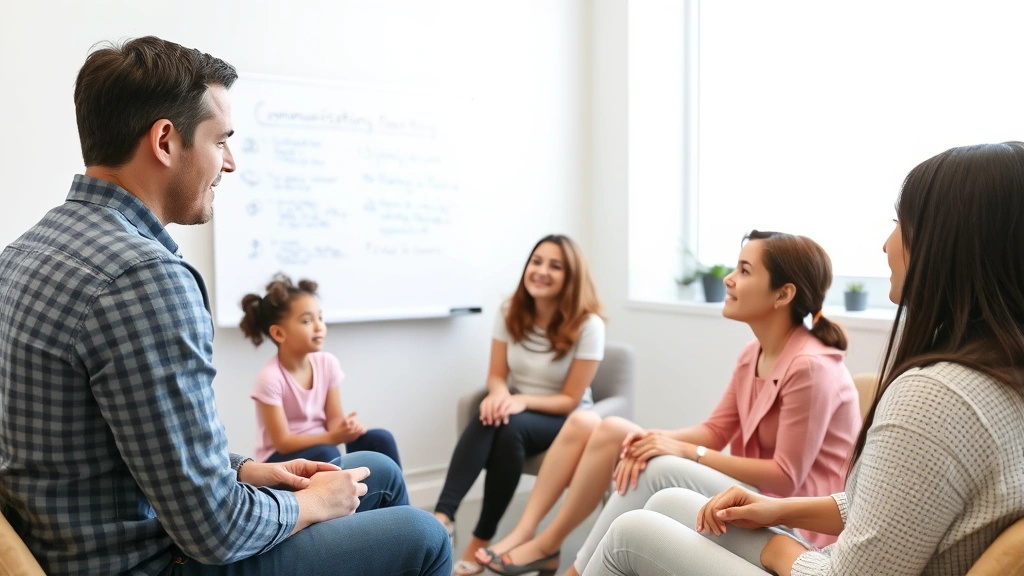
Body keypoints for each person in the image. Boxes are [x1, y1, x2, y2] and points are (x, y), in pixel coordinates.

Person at [0, 36, 449, 575]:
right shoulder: (144, 280)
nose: (230, 163)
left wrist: (246, 469)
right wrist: (312, 503)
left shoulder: (24, 251)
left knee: (378, 470)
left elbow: (132, 440)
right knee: (424, 536)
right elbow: (215, 531)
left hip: (77, 536)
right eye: (221, 141)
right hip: (152, 560)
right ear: (165, 140)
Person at [583, 142, 1024, 576]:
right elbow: (896, 505)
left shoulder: (931, 397)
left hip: (825, 560)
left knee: (634, 531)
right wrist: (771, 508)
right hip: (829, 538)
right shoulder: (993, 373)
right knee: (666, 500)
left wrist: (776, 546)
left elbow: (830, 532)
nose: (886, 244)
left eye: (899, 222)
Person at [482, 231, 861, 576]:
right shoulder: (753, 353)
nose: (728, 279)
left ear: (783, 294)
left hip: (795, 516)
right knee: (621, 433)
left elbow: (785, 475)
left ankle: (572, 567)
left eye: (744, 271)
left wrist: (682, 450)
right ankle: (553, 550)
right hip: (756, 492)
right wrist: (656, 438)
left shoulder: (810, 366)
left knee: (657, 466)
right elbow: (716, 431)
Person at [433, 234, 606, 575]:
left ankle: (479, 540)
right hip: (518, 413)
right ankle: (444, 517)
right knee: (489, 413)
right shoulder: (509, 310)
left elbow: (570, 399)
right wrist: (499, 396)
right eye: (536, 261)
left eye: (555, 266)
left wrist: (516, 401)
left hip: (566, 417)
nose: (541, 271)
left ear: (571, 278)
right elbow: (497, 375)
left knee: (508, 423)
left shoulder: (589, 325)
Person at [240, 273, 402, 468]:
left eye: (320, 318)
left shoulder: (327, 363)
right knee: (327, 452)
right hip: (278, 462)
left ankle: (398, 499)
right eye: (307, 321)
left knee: (380, 439)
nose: (319, 327)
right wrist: (332, 437)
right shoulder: (269, 378)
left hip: (324, 448)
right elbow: (282, 443)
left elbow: (334, 419)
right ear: (279, 333)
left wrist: (345, 428)